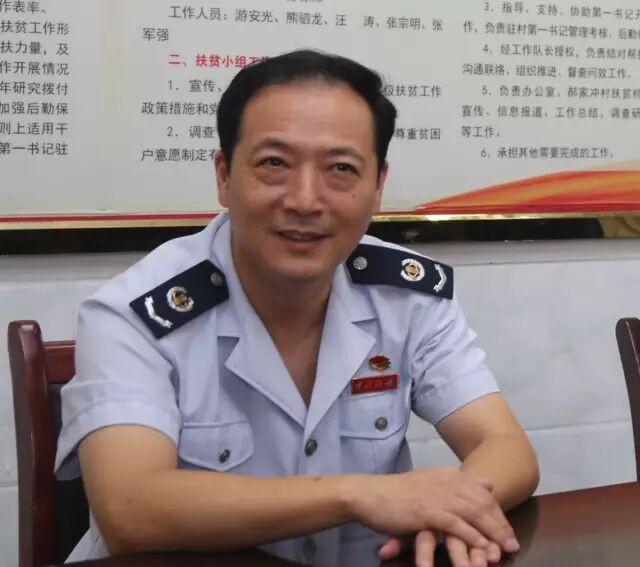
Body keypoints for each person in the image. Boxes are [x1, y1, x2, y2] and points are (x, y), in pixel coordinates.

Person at [56, 50, 539, 567]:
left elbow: (506, 447)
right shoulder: (135, 314)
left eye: (340, 169)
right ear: (224, 175)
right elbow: (131, 512)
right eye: (274, 164)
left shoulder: (409, 297)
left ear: (377, 186)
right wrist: (360, 495)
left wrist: (451, 509)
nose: (306, 200)